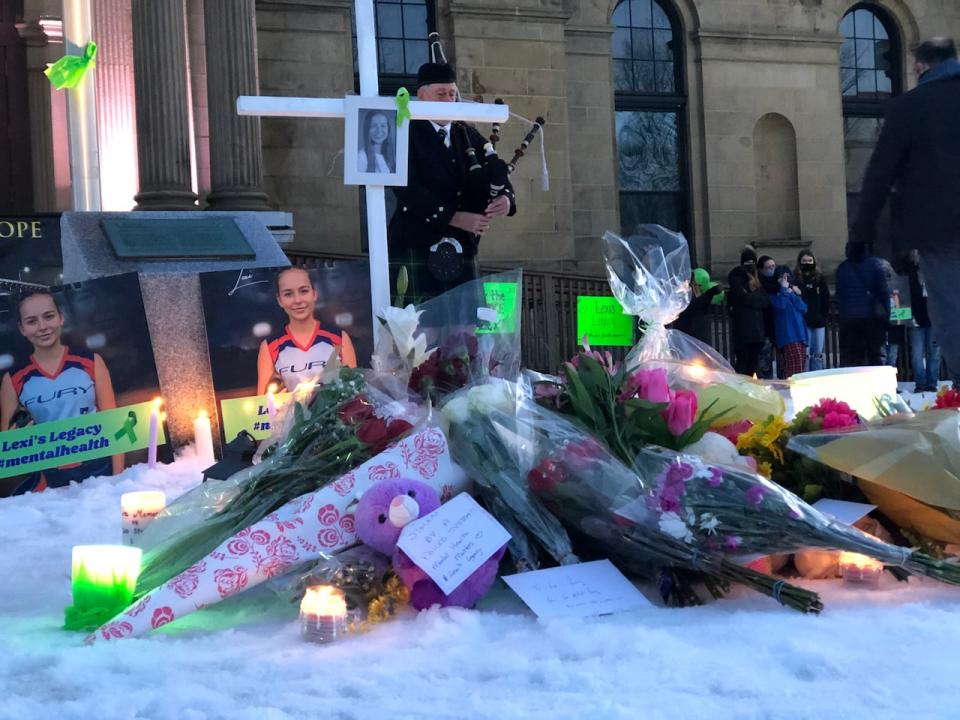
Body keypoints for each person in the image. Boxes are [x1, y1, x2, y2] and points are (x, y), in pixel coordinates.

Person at [852, 37, 960, 385]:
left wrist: (861, 235)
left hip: (940, 231)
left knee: (951, 314)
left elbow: (879, 176)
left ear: (920, 66)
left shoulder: (910, 107)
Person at [388, 60, 516, 305]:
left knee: (463, 332)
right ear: (422, 96)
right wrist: (454, 217)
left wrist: (506, 198)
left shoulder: (466, 134)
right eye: (441, 94)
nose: (448, 100)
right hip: (416, 240)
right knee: (416, 331)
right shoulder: (405, 133)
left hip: (462, 246)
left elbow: (495, 169)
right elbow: (405, 187)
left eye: (452, 94)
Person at [0, 290, 122, 492]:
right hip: (49, 480)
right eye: (31, 321)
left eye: (49, 316)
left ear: (61, 317)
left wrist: (117, 480)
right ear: (22, 329)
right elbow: (6, 450)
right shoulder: (14, 378)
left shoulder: (90, 362)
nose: (42, 327)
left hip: (99, 470)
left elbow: (114, 425)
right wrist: (17, 443)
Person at [257, 267, 357, 394]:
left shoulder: (339, 338)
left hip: (334, 413)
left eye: (304, 291)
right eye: (288, 294)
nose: (298, 300)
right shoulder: (270, 346)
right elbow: (261, 406)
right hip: (290, 414)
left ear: (314, 293)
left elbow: (355, 392)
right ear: (279, 300)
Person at [835, 241, 890, 367]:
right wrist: (886, 317)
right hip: (872, 318)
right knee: (875, 356)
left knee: (852, 357)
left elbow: (840, 294)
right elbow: (883, 292)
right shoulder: (876, 265)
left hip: (848, 320)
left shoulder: (842, 268)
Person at [726, 246, 769, 376]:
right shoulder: (736, 278)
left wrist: (753, 298)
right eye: (747, 263)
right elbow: (744, 298)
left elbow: (765, 301)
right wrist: (755, 298)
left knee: (753, 365)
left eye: (752, 263)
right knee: (743, 364)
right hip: (743, 330)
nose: (750, 265)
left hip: (757, 330)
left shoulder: (759, 278)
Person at [904, 250, 942, 393]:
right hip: (922, 317)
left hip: (926, 318)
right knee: (923, 353)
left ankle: (928, 382)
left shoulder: (913, 275)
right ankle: (925, 382)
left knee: (925, 353)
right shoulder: (914, 275)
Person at [768, 267, 808, 378]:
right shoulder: (774, 296)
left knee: (800, 366)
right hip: (788, 335)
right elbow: (780, 305)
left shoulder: (791, 294)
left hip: (800, 335)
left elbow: (803, 308)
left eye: (787, 277)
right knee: (795, 366)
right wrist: (784, 290)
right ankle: (788, 389)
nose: (786, 280)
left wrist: (795, 294)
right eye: (782, 277)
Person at [795, 250, 830, 371]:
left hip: (818, 321)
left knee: (817, 354)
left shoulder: (819, 278)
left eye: (810, 260)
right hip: (803, 322)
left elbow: (826, 298)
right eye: (804, 261)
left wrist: (824, 316)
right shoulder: (797, 279)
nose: (807, 263)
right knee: (806, 354)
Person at [670, 269, 722, 347]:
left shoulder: (692, 289)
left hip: (695, 331)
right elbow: (692, 306)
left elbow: (699, 306)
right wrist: (709, 294)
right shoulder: (681, 291)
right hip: (688, 331)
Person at [756, 255, 778, 378]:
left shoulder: (777, 282)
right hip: (765, 327)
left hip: (777, 327)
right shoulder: (760, 284)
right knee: (765, 362)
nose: (771, 269)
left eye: (773, 266)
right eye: (768, 267)